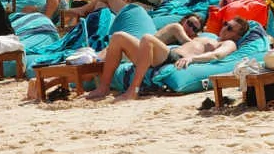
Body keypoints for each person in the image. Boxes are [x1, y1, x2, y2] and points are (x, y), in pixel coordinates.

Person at [86, 15, 249, 102]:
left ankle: (132, 91)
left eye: (230, 28)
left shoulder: (229, 43)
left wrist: (193, 59)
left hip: (174, 58)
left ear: (237, 35)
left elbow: (217, 55)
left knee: (147, 39)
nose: (224, 28)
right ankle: (104, 87)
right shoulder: (209, 36)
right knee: (118, 36)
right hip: (164, 55)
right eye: (226, 23)